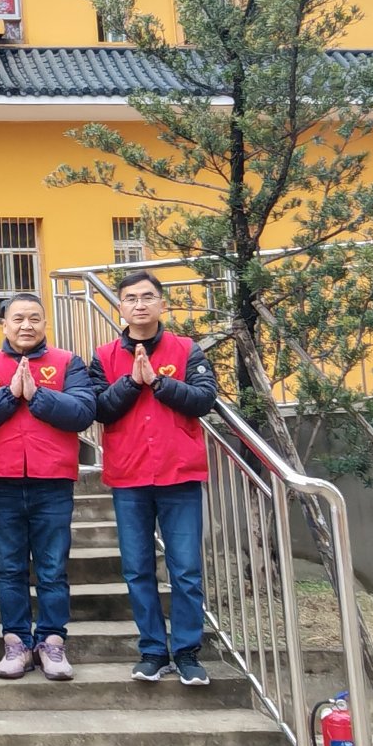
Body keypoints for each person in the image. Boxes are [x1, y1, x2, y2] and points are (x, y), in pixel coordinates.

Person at [90, 270, 218, 686]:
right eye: (131, 298)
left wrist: (160, 383)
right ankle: (151, 650)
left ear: (162, 304)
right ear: (120, 307)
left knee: (186, 570)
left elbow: (204, 399)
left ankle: (187, 651)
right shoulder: (104, 356)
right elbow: (99, 408)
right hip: (129, 475)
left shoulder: (187, 349)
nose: (140, 304)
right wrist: (132, 382)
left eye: (147, 297)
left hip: (179, 474)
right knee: (137, 569)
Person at [0, 293, 96, 681]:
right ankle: (17, 643)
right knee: (10, 567)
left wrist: (38, 395)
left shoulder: (68, 362)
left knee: (52, 568)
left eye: (34, 318)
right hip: (3, 480)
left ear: (45, 323)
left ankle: (52, 642)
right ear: (4, 324)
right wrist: (9, 394)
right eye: (18, 318)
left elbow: (83, 412)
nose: (27, 325)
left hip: (52, 480)